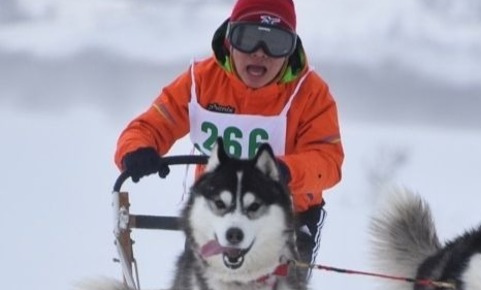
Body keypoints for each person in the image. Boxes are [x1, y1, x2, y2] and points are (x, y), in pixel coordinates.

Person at [114, 0, 344, 265]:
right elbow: (151, 124)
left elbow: (328, 161)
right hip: (214, 212)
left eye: (275, 43)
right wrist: (136, 149)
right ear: (230, 40)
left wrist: (285, 170)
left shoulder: (311, 94)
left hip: (286, 220)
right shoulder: (201, 82)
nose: (260, 53)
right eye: (248, 38)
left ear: (290, 50)